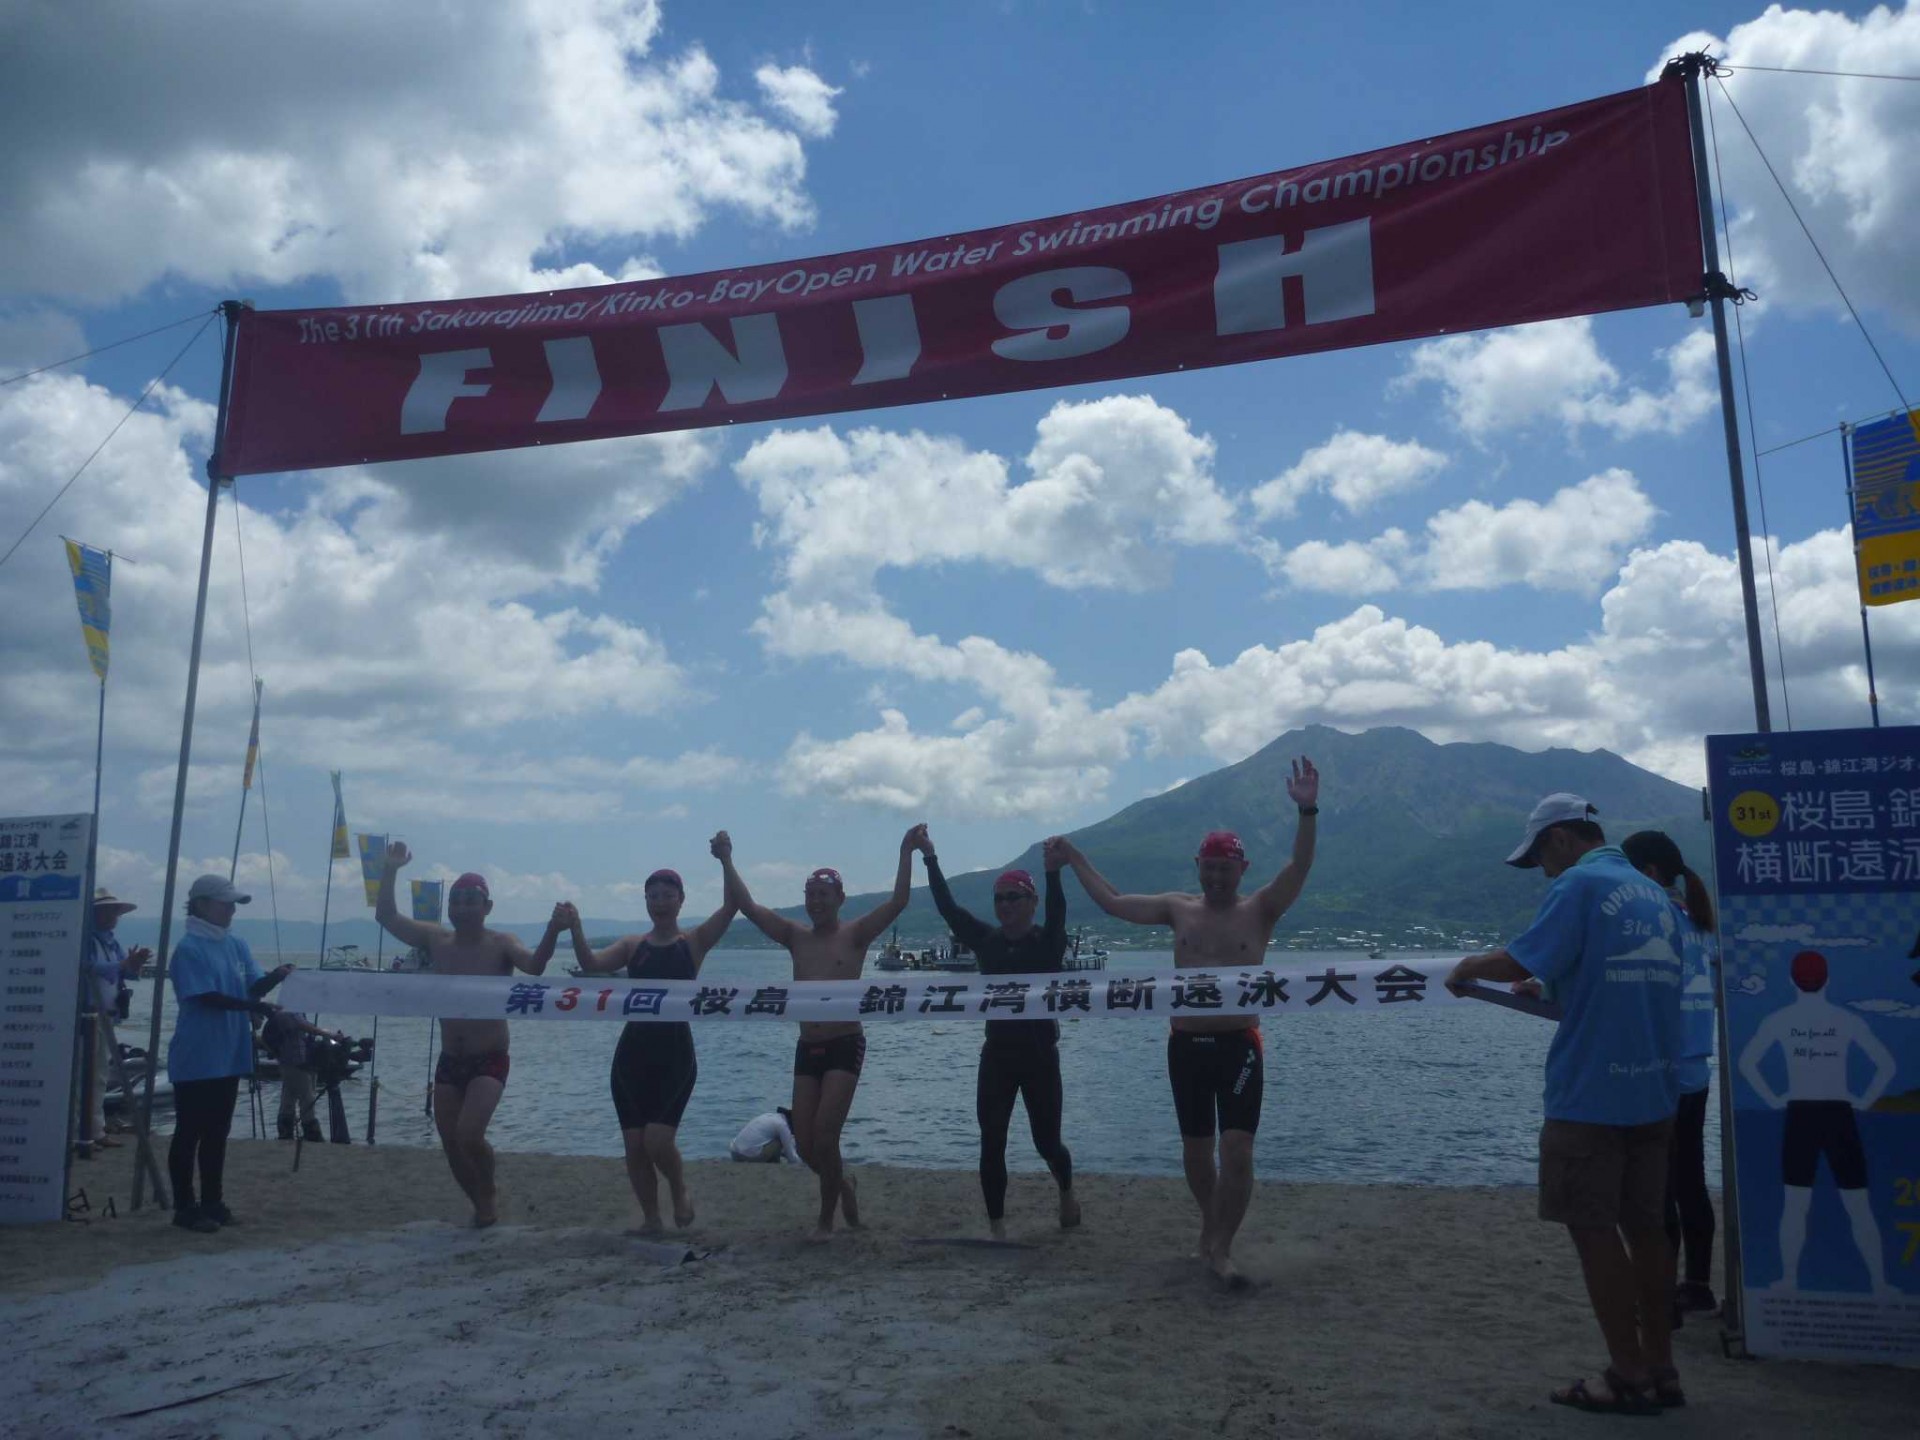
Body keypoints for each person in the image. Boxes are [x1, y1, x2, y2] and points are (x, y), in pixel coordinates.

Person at [1445, 794, 1685, 1414]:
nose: (1542, 872)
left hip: (1592, 1098)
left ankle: (1626, 1374)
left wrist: (1466, 966)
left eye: (1539, 859)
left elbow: (1516, 958)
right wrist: (1549, 985)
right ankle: (1662, 1367)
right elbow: (1615, 978)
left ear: (1558, 840)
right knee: (1649, 1230)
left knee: (1594, 1231)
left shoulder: (1579, 884)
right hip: (1656, 1093)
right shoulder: (1654, 894)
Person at [1051, 756, 1319, 1289]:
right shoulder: (1179, 909)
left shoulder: (1261, 909)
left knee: (1237, 1149)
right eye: (1210, 867)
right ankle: (1211, 1226)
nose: (1217, 877)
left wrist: (1308, 809)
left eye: (1227, 869)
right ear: (1198, 866)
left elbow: (1300, 868)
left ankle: (1220, 1247)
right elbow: (1113, 902)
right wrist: (1076, 855)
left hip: (1240, 1044)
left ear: (1241, 870)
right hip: (1186, 1045)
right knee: (1197, 1154)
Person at [717, 825, 920, 1240]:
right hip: (808, 1047)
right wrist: (726, 859)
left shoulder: (856, 934)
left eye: (823, 895)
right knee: (807, 1146)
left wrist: (905, 850)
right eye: (810, 895)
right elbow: (748, 906)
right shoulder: (796, 937)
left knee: (826, 1135)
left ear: (840, 899)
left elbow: (899, 901)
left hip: (845, 1043)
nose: (815, 902)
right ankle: (843, 1184)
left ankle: (826, 1221)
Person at [375, 844, 565, 1228]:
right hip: (450, 1059)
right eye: (456, 901)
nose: (462, 907)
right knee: (450, 1144)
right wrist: (391, 870)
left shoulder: (501, 944)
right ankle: (480, 1203)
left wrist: (552, 930)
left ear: (487, 907)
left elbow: (535, 966)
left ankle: (489, 1189)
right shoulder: (437, 941)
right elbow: (387, 916)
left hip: (489, 1056)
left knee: (469, 1135)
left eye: (470, 901)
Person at [560, 837, 736, 1235]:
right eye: (652, 896)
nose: (659, 902)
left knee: (657, 1141)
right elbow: (590, 964)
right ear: (645, 901)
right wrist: (575, 927)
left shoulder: (691, 943)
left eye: (666, 895)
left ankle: (679, 1187)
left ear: (680, 900)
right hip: (631, 1056)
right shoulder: (631, 945)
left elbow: (731, 908)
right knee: (634, 1147)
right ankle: (651, 1219)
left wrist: (725, 860)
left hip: (675, 1055)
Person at [915, 827, 1077, 1239]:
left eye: (1014, 897)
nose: (1005, 905)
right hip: (998, 1056)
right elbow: (949, 910)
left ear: (1031, 902)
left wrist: (1054, 873)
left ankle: (1066, 1190)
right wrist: (930, 857)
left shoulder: (1047, 945)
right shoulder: (987, 942)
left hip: (1041, 1056)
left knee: (1047, 1143)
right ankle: (997, 1228)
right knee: (992, 1142)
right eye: (1000, 898)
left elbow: (1059, 915)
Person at [1737, 948, 1897, 1297]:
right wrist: (1864, 1100)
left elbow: (1748, 1062)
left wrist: (1774, 1098)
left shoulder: (1780, 1020)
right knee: (1858, 1203)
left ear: (1792, 980)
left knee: (1795, 1203)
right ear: (1829, 980)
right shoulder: (1845, 1020)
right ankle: (1879, 1283)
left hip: (1801, 1114)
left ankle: (1790, 1280)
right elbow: (1885, 1064)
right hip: (1839, 1113)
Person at [1620, 829, 1720, 1320]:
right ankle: (1697, 1286)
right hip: (1697, 1069)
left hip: (1660, 1069)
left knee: (1654, 1191)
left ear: (1650, 873)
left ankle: (1661, 1300)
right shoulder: (1701, 920)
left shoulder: (1655, 918)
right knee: (1690, 1182)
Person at [166, 875, 293, 1232]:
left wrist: (277, 976)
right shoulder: (188, 949)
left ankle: (213, 1201)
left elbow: (251, 986)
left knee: (217, 1133)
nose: (232, 910)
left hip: (230, 1052)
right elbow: (206, 996)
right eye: (226, 903)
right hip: (196, 1054)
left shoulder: (236, 944)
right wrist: (261, 1008)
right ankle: (184, 1208)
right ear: (203, 905)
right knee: (189, 1131)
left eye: (234, 904)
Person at [81, 888, 149, 1150]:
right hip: (87, 1016)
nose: (114, 916)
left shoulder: (110, 942)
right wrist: (124, 965)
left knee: (99, 1074)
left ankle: (95, 1129)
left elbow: (126, 974)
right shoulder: (86, 940)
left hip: (105, 1016)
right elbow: (88, 968)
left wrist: (135, 963)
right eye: (109, 911)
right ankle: (85, 1130)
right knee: (85, 1075)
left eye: (115, 912)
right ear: (96, 913)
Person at [260, 1007, 344, 1142]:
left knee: (289, 1096)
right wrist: (329, 1034)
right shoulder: (290, 1012)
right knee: (307, 1096)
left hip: (288, 1060)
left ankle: (285, 1132)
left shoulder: (283, 1012)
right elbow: (305, 1026)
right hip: (295, 1061)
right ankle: (311, 1131)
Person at [730, 1107, 801, 1163]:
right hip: (747, 1156)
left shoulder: (770, 1116)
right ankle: (774, 1162)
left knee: (777, 1142)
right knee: (778, 1142)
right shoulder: (783, 1126)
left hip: (735, 1152)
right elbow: (792, 1158)